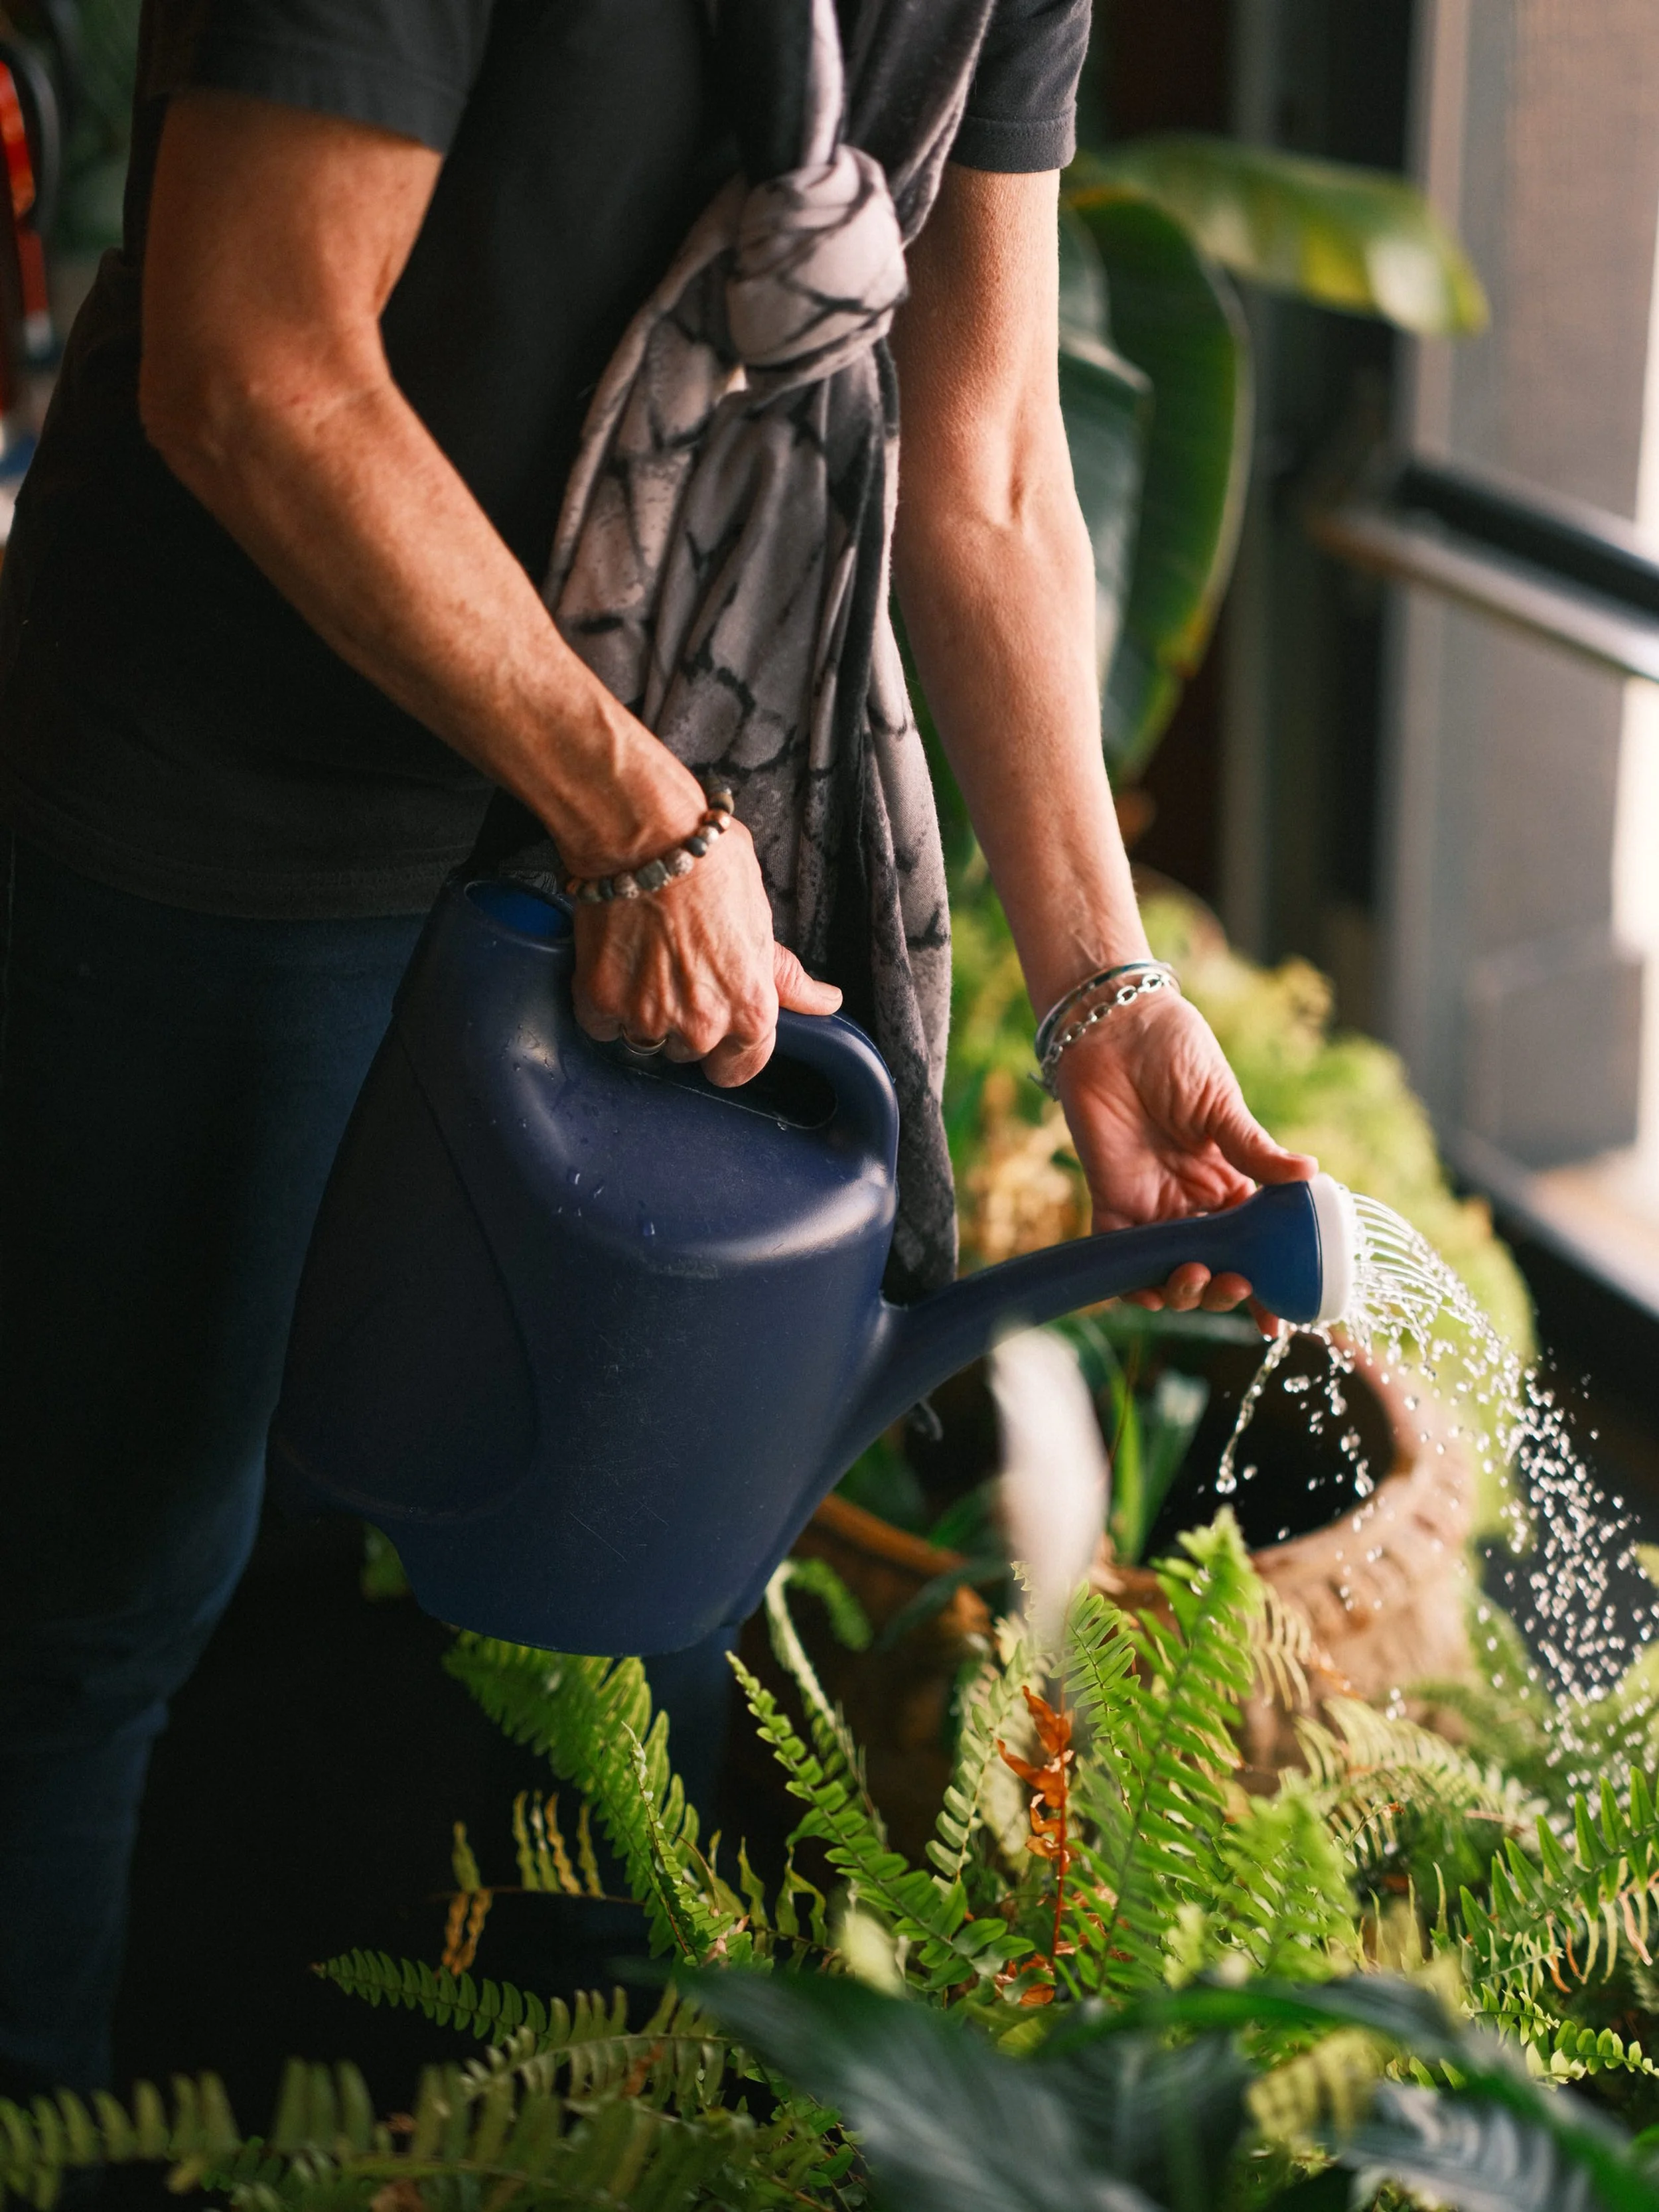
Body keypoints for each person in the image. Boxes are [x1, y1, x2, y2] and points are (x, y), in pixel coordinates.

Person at [0, 0, 1315, 2101]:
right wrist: (626, 808)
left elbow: (980, 464)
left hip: (668, 804)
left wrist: (1103, 989)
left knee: (618, 1622)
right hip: (236, 783)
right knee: (97, 1604)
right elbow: (253, 363)